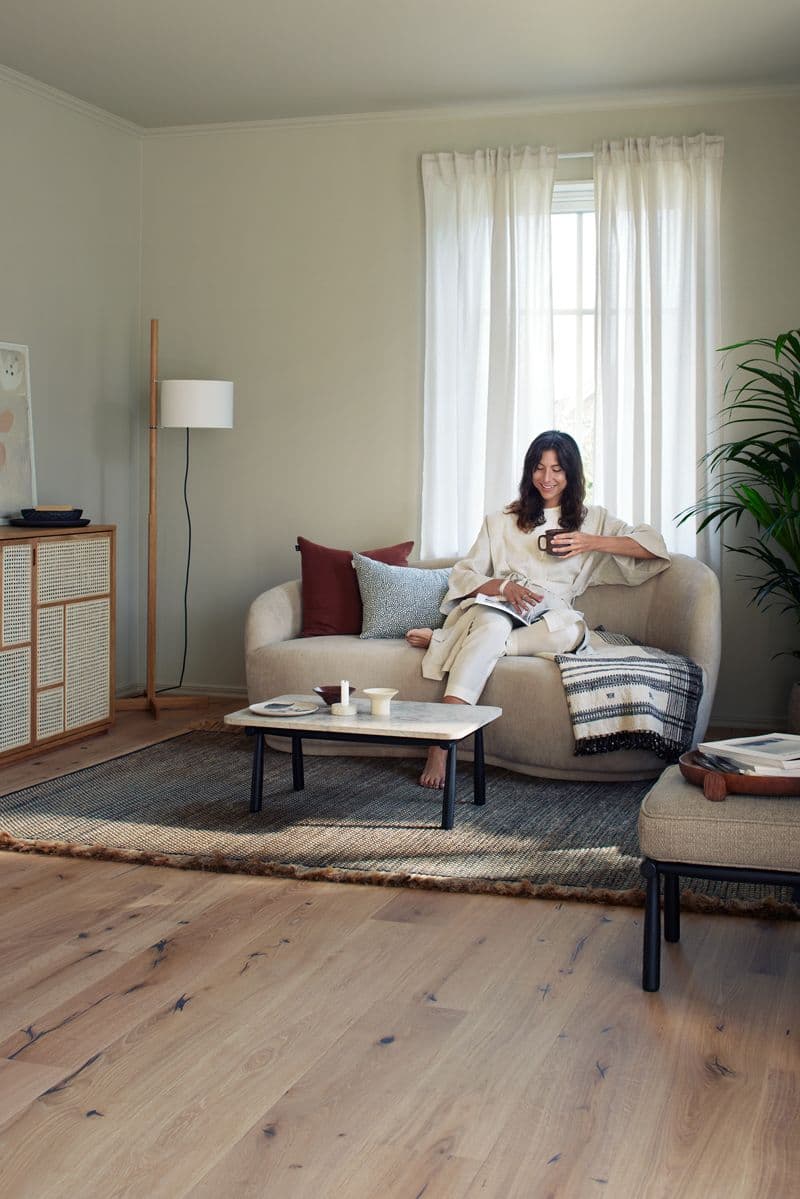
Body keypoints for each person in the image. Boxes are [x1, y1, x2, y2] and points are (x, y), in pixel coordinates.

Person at [407, 430, 671, 788]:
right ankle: (441, 744)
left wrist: (588, 542)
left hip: (550, 612)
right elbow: (463, 575)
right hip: (502, 603)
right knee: (491, 626)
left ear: (571, 473)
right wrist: (503, 587)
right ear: (529, 470)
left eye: (557, 469)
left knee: (573, 630)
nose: (547, 478)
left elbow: (654, 547)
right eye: (539, 467)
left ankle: (448, 641)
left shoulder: (592, 519)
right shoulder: (501, 520)